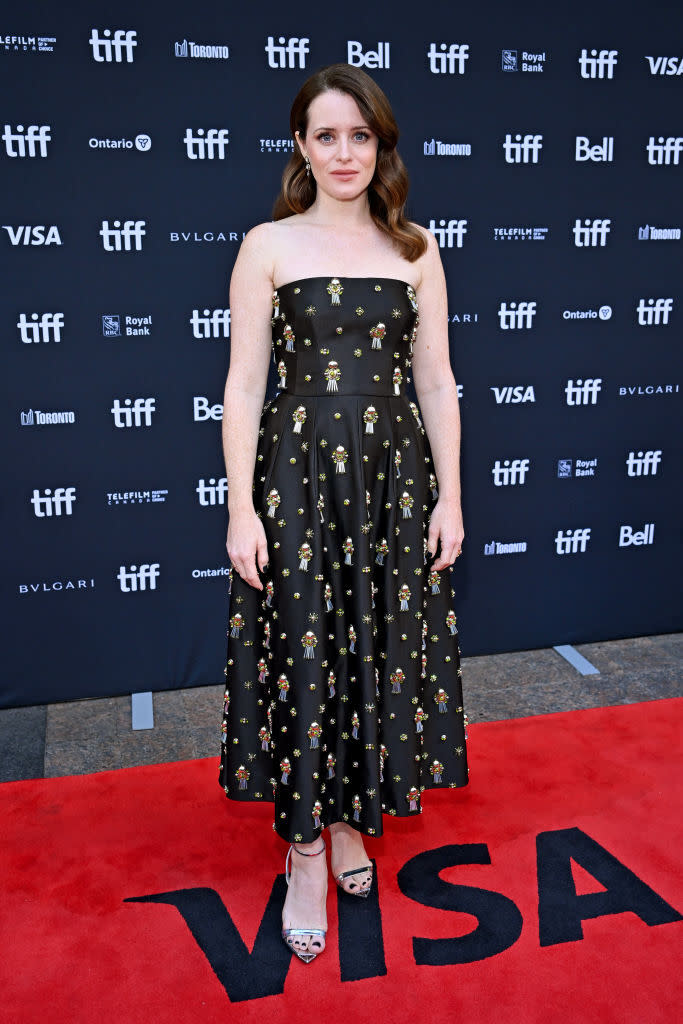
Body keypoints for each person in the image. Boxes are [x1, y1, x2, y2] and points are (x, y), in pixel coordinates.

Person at [218, 62, 469, 964]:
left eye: (359, 135)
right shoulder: (268, 246)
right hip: (295, 481)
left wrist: (451, 494)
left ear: (381, 144)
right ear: (301, 146)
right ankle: (307, 849)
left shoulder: (416, 249)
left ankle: (356, 823)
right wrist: (241, 508)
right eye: (326, 135)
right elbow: (244, 384)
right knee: (304, 654)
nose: (343, 153)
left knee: (374, 651)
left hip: (393, 486)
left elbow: (435, 380)